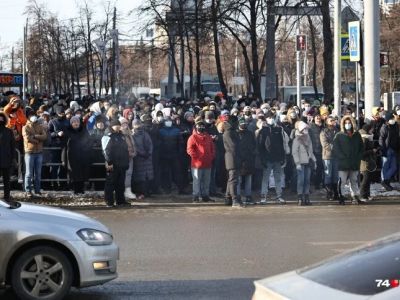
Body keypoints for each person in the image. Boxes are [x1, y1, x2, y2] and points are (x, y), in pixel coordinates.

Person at [257, 111, 289, 204]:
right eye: (269, 117)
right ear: (266, 119)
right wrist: (262, 158)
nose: (271, 119)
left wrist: (283, 157)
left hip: (277, 158)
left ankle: (279, 195)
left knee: (278, 177)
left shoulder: (279, 129)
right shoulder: (263, 130)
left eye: (272, 117)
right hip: (267, 159)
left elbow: (282, 144)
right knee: (265, 178)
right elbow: (260, 146)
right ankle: (263, 196)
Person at [333, 116, 364, 205]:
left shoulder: (357, 135)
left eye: (349, 123)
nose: (348, 125)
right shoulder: (339, 135)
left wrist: (358, 157)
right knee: (342, 181)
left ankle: (355, 196)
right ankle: (341, 196)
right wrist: (342, 157)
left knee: (354, 180)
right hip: (343, 162)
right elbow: (336, 148)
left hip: (354, 162)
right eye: (346, 123)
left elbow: (361, 147)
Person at [102, 119, 131, 207]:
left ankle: (120, 201)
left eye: (119, 125)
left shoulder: (121, 136)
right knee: (110, 184)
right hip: (113, 164)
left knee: (120, 184)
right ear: (112, 126)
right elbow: (106, 151)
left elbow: (125, 150)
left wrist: (126, 163)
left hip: (122, 164)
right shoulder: (108, 136)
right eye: (115, 125)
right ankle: (109, 202)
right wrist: (109, 162)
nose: (118, 126)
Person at [187, 117, 215, 202]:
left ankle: (205, 195)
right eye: (199, 126)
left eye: (202, 126)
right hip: (197, 164)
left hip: (207, 163)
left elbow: (212, 148)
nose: (201, 128)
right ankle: (195, 196)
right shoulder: (192, 137)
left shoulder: (208, 137)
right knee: (197, 181)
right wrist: (197, 157)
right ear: (196, 127)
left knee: (206, 181)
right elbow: (189, 150)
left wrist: (211, 156)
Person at [63, 116, 94, 195]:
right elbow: (64, 145)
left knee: (82, 173)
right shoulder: (67, 131)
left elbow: (89, 141)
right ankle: (76, 189)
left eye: (77, 122)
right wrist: (63, 159)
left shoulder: (84, 131)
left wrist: (86, 149)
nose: (75, 123)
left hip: (83, 155)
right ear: (71, 123)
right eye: (73, 122)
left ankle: (81, 189)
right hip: (72, 156)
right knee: (74, 174)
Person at [22, 110, 48, 197]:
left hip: (39, 152)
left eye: (33, 115)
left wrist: (36, 136)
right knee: (29, 173)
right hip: (29, 152)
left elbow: (44, 136)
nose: (33, 116)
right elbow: (27, 138)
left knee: (38, 173)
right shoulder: (25, 127)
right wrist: (37, 140)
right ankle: (28, 190)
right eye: (30, 115)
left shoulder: (40, 126)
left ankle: (37, 190)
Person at [292, 121, 316, 206]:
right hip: (301, 163)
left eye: (306, 128)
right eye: (305, 128)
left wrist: (314, 160)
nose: (306, 130)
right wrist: (297, 163)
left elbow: (311, 150)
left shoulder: (308, 138)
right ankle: (300, 198)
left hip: (308, 163)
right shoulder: (296, 139)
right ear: (301, 129)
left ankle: (306, 197)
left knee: (307, 181)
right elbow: (294, 152)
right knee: (301, 181)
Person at [223, 117, 243, 207]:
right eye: (236, 122)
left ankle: (228, 198)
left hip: (235, 158)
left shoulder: (232, 132)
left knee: (231, 179)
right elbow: (233, 146)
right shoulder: (228, 133)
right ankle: (234, 199)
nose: (238, 124)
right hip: (232, 158)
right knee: (233, 180)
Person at [132, 119, 154, 199]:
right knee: (139, 177)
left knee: (148, 176)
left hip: (147, 158)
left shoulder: (145, 133)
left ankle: (147, 192)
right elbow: (134, 146)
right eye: (135, 124)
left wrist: (149, 153)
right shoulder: (132, 135)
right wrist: (141, 154)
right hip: (138, 158)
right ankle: (141, 192)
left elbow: (150, 144)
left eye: (138, 124)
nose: (137, 126)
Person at [237, 117, 256, 204]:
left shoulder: (250, 133)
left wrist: (252, 154)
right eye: (242, 123)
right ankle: (237, 195)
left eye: (244, 123)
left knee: (248, 178)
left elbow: (254, 145)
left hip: (249, 159)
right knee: (238, 179)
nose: (244, 125)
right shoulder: (236, 134)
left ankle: (248, 195)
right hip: (239, 159)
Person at [320, 115, 339, 200]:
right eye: (331, 120)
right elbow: (325, 144)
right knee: (328, 175)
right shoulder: (324, 132)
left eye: (333, 120)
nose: (333, 122)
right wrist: (335, 147)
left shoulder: (337, 130)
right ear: (327, 122)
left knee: (335, 175)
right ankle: (329, 193)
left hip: (336, 156)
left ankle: (336, 192)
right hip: (327, 156)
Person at [379, 112, 399, 191]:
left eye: (393, 118)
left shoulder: (395, 126)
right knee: (385, 166)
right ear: (387, 120)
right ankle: (385, 182)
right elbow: (381, 139)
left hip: (394, 149)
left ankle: (385, 181)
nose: (393, 120)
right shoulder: (384, 127)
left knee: (394, 167)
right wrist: (383, 149)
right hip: (387, 149)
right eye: (391, 119)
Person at [359, 124, 378, 202]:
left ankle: (367, 195)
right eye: (371, 129)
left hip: (369, 161)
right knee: (365, 179)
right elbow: (362, 153)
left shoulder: (368, 137)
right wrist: (372, 151)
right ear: (367, 130)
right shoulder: (364, 138)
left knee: (368, 179)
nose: (372, 131)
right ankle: (362, 196)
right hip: (364, 163)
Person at [119, 117, 137, 200]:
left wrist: (134, 152)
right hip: (122, 158)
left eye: (126, 123)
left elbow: (133, 145)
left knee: (129, 175)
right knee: (122, 175)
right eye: (123, 124)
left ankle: (128, 191)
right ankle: (121, 191)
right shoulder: (119, 134)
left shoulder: (129, 134)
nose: (125, 125)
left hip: (130, 157)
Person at [0, 111, 16, 201]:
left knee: (7, 180)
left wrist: (13, 158)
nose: (0, 119)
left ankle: (7, 196)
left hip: (6, 159)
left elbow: (12, 146)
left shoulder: (9, 131)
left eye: (2, 118)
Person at [309, 113, 324, 189]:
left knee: (321, 168)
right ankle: (314, 183)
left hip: (322, 150)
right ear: (314, 118)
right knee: (314, 168)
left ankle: (320, 183)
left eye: (319, 117)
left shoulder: (323, 127)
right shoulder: (311, 127)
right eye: (316, 117)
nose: (318, 118)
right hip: (314, 150)